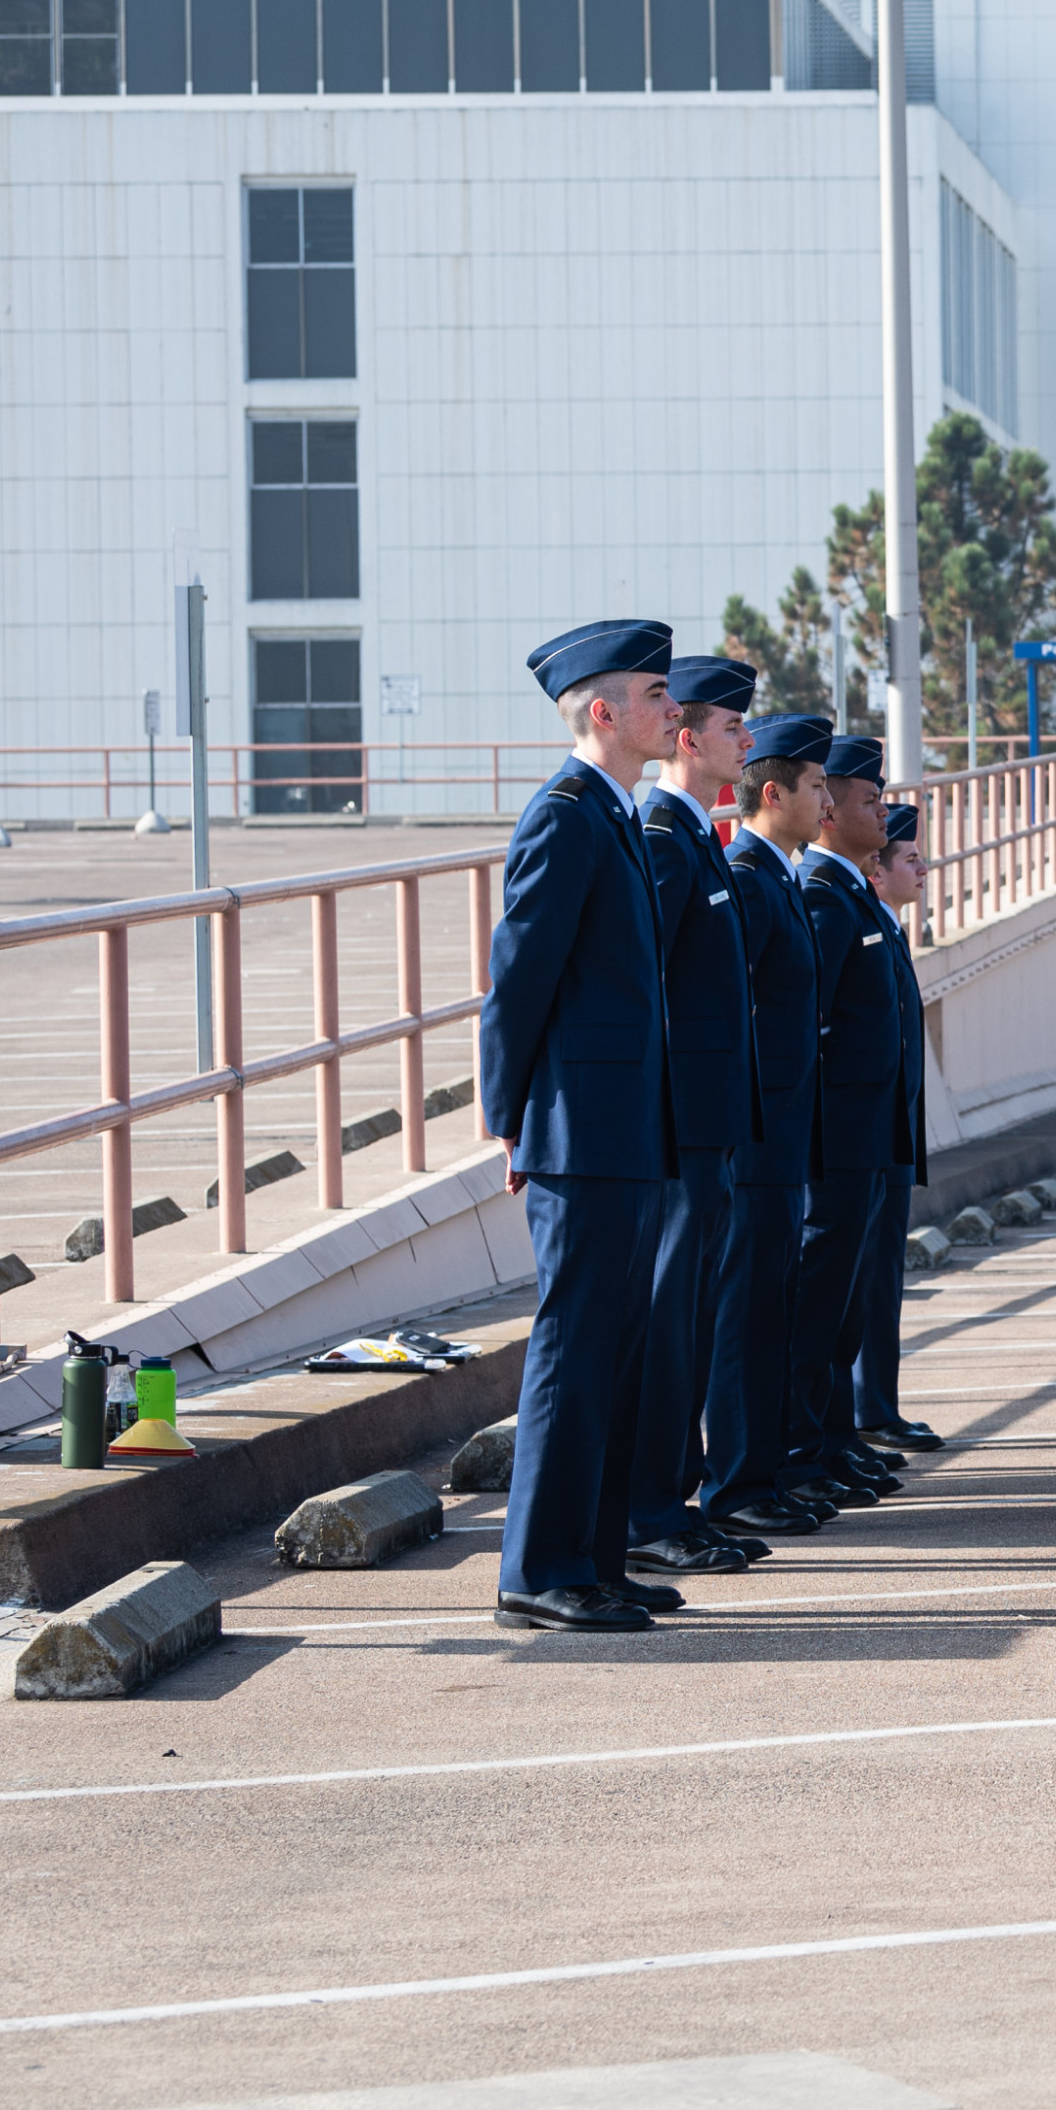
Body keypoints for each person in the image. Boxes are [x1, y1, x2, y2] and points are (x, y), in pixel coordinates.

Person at [474, 618, 682, 1635]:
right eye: (654, 693)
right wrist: (509, 1116)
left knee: (615, 1352)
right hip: (577, 1130)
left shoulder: (615, 814)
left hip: (626, 1129)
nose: (670, 709)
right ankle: (538, 1566)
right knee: (573, 1345)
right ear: (603, 711)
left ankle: (594, 1559)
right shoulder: (563, 816)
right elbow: (519, 982)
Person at [625, 655, 762, 1581]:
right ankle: (651, 1510)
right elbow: (651, 989)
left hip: (709, 1121)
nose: (745, 742)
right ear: (688, 739)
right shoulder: (666, 838)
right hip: (678, 1125)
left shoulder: (698, 836)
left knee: (695, 1313)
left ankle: (679, 1495)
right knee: (670, 1323)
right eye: (730, 729)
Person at [705, 713, 832, 1542]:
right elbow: (732, 1003)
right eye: (816, 786)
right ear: (773, 792)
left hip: (782, 1129)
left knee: (771, 1308)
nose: (827, 801)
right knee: (744, 1313)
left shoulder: (778, 873)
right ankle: (736, 1480)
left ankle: (764, 1469)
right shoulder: (748, 875)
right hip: (753, 1136)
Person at [791, 738, 915, 1514]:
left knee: (842, 1308)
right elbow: (816, 1022)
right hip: (836, 1136)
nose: (880, 809)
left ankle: (834, 1441)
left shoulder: (856, 896)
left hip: (868, 1132)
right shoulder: (822, 894)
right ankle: (809, 1447)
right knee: (818, 1304)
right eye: (868, 799)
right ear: (826, 805)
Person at [855, 801, 942, 1458]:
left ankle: (876, 1405)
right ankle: (860, 1413)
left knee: (883, 1274)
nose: (924, 867)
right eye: (910, 858)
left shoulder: (888, 928)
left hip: (890, 1132)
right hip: (861, 1134)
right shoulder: (851, 917)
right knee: (856, 1280)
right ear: (878, 872)